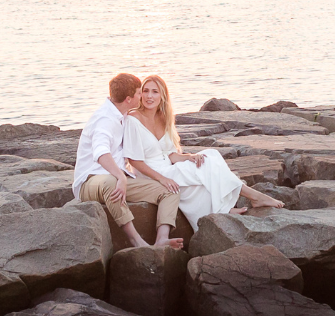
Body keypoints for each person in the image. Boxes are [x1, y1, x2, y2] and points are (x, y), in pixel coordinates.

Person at [124, 74, 285, 231]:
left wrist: (189, 157)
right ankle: (254, 197)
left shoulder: (163, 117)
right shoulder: (133, 119)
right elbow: (134, 161)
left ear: (163, 96)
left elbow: (170, 154)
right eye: (145, 91)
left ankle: (223, 209)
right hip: (151, 174)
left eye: (155, 91)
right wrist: (163, 179)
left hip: (168, 167)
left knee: (210, 156)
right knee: (207, 166)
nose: (149, 96)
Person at [73, 72, 184, 250]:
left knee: (169, 190)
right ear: (128, 99)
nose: (143, 96)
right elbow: (101, 153)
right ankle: (136, 241)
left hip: (118, 178)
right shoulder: (105, 120)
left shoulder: (123, 114)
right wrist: (121, 177)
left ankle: (162, 238)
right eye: (140, 93)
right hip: (90, 181)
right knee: (112, 182)